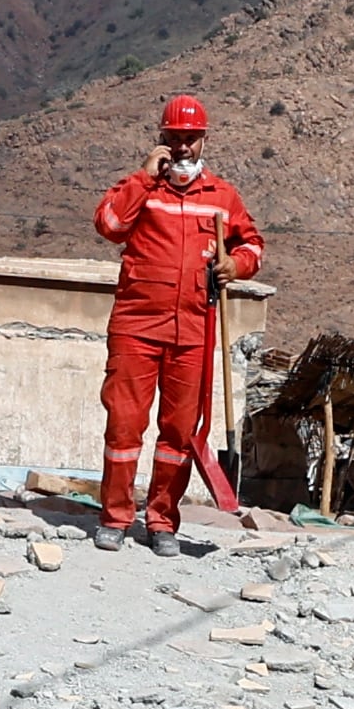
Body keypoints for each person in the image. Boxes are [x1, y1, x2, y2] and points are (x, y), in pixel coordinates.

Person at [90, 91, 264, 553]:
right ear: (162, 139)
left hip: (193, 330)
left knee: (179, 432)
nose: (183, 147)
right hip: (136, 326)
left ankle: (162, 521)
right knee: (125, 425)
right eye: (175, 138)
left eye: (191, 139)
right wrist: (143, 178)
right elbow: (108, 224)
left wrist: (237, 266)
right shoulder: (143, 190)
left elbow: (253, 246)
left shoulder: (221, 197)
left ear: (203, 141)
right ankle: (115, 517)